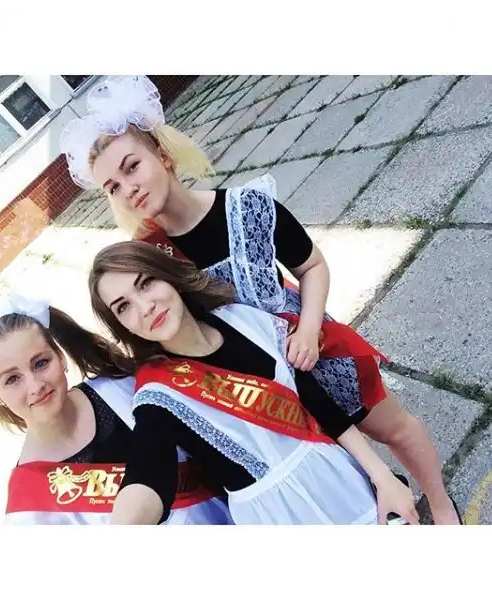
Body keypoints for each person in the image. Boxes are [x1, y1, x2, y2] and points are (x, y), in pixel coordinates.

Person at [59, 75, 461, 525]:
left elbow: (312, 266)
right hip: (255, 394)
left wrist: (308, 329)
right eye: (112, 187)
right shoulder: (146, 259)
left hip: (310, 353)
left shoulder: (246, 207)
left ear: (164, 155)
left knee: (394, 430)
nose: (127, 188)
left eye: (131, 167)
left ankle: (440, 505)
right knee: (332, 470)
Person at [87, 240, 419, 525]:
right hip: (275, 518)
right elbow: (148, 473)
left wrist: (381, 475)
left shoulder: (243, 321)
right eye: (123, 307)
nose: (145, 307)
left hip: (339, 478)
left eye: (146, 283)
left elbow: (320, 406)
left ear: (168, 275)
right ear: (122, 326)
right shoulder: (157, 396)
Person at [0, 293, 233, 525]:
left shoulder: (126, 387)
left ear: (61, 357)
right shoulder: (28, 508)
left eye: (40, 363)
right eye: (12, 379)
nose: (35, 385)